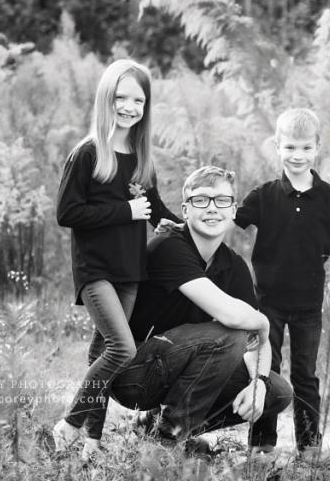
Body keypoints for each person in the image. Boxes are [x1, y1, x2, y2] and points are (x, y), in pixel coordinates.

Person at [108, 166, 293, 451]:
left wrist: (259, 382)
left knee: (277, 392)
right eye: (201, 200)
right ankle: (166, 440)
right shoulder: (168, 247)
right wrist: (264, 323)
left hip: (180, 365)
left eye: (221, 200)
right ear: (185, 209)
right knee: (229, 336)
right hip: (134, 374)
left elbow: (258, 343)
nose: (212, 208)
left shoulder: (233, 266)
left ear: (233, 210)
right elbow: (235, 319)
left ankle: (156, 425)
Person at [53, 59, 181, 460]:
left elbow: (157, 210)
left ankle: (91, 443)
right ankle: (68, 425)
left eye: (138, 99)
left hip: (130, 271)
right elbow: (67, 213)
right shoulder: (88, 153)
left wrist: (195, 223)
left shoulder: (140, 159)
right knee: (121, 350)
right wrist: (125, 212)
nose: (129, 106)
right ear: (106, 99)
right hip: (96, 271)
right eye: (121, 97)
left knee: (100, 355)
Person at [234, 108, 330, 458]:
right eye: (290, 148)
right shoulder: (263, 195)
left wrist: (326, 272)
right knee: (267, 370)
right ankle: (262, 445)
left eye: (304, 148)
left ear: (317, 148)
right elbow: (232, 227)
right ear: (277, 147)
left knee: (306, 376)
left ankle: (309, 447)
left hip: (309, 304)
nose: (297, 156)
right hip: (267, 303)